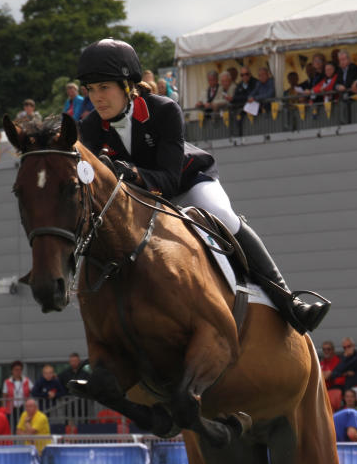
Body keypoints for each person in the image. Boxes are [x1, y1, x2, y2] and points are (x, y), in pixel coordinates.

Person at [76, 39, 329, 333]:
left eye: (104, 88)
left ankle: (289, 302)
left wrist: (131, 173)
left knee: (222, 214)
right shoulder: (91, 126)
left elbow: (169, 179)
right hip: (140, 199)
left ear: (127, 85)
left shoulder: (164, 110)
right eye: (91, 90)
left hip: (187, 185)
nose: (97, 98)